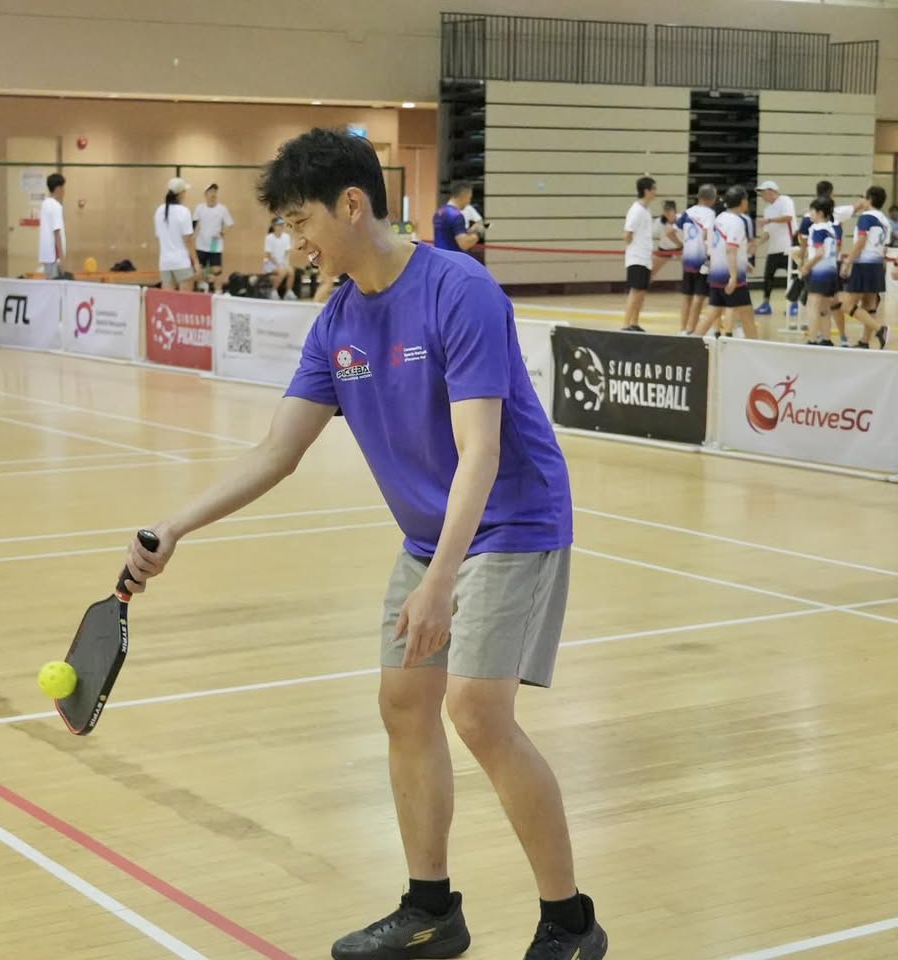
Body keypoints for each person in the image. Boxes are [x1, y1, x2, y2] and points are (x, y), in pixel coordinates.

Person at [120, 128, 607, 960]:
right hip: (430, 535)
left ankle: (570, 925)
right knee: (404, 704)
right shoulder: (338, 320)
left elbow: (482, 452)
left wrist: (440, 582)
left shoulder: (459, 291)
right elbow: (277, 451)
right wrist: (175, 528)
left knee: (476, 712)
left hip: (511, 522)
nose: (293, 242)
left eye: (300, 222)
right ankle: (431, 911)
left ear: (352, 204)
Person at [696, 185, 757, 340]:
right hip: (730, 277)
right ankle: (756, 348)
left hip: (716, 274)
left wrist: (743, 262)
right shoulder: (736, 222)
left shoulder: (720, 218)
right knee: (747, 314)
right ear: (742, 202)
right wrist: (733, 276)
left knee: (712, 312)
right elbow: (731, 249)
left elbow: (717, 246)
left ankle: (691, 343)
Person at [838, 185, 890, 348]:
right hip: (877, 265)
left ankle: (880, 329)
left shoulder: (866, 217)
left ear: (869, 199)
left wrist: (848, 261)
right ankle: (864, 341)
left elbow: (861, 242)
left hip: (864, 265)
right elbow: (884, 247)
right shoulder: (884, 220)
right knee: (869, 305)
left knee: (847, 305)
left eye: (863, 197)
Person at [676, 185, 717, 334]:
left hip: (687, 258)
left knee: (686, 294)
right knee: (699, 296)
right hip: (702, 260)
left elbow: (672, 231)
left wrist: (683, 245)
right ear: (712, 199)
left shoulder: (688, 212)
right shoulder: (710, 214)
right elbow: (707, 234)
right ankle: (691, 329)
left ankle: (682, 329)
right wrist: (709, 254)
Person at [802, 197, 841, 347]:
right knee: (824, 308)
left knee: (813, 306)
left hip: (819, 273)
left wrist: (806, 266)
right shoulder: (831, 229)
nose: (809, 214)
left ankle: (812, 339)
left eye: (812, 211)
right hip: (831, 271)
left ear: (819, 213)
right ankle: (826, 339)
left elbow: (819, 253)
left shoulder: (818, 229)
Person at [754, 181, 796, 316]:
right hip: (773, 249)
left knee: (794, 276)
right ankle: (766, 304)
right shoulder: (767, 210)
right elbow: (768, 232)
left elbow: (788, 217)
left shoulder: (785, 200)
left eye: (763, 192)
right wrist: (757, 243)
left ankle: (795, 304)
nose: (761, 195)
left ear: (771, 191)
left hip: (788, 247)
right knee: (768, 277)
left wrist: (769, 220)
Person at [622, 176, 656, 331]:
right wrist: (635, 249)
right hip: (637, 257)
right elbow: (627, 234)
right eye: (653, 189)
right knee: (635, 291)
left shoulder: (646, 209)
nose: (655, 192)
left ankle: (634, 323)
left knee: (641, 292)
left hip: (645, 257)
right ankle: (626, 324)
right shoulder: (636, 210)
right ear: (646, 191)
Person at [154, 177, 200, 290]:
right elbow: (188, 241)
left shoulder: (159, 211)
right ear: (180, 194)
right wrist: (196, 263)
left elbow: (159, 236)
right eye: (185, 192)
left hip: (165, 263)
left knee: (168, 299)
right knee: (185, 299)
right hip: (181, 262)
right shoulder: (184, 211)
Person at [194, 184, 235, 292]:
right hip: (201, 244)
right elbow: (194, 224)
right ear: (205, 194)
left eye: (215, 191)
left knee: (217, 269)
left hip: (215, 244)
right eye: (210, 191)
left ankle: (217, 291)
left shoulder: (222, 209)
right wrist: (192, 238)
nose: (213, 194)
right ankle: (203, 286)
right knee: (199, 268)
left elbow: (230, 224)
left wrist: (222, 233)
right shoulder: (199, 208)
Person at [433, 181, 483, 255]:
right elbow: (464, 244)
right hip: (452, 258)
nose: (469, 202)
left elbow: (449, 235)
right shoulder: (456, 215)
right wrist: (478, 233)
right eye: (469, 198)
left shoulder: (439, 212)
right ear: (464, 195)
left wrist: (467, 232)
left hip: (439, 256)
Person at [38, 173, 66, 279]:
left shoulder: (45, 203)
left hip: (46, 256)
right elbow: (56, 232)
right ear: (58, 188)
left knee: (50, 284)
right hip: (54, 256)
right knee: (55, 285)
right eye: (63, 187)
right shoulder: (56, 206)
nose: (64, 191)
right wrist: (62, 258)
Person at [263, 217, 297, 300]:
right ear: (273, 226)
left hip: (283, 264)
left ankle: (288, 292)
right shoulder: (269, 238)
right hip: (271, 265)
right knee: (282, 271)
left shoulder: (286, 237)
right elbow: (269, 255)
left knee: (291, 271)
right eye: (278, 225)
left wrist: (285, 262)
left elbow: (287, 252)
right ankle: (273, 291)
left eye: (282, 225)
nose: (280, 227)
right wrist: (278, 264)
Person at [650, 198, 680, 280]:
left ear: (675, 210)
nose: (667, 213)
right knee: (652, 272)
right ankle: (643, 286)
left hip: (681, 249)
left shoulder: (682, 219)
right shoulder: (659, 222)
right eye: (665, 210)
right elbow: (650, 234)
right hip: (665, 249)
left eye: (669, 210)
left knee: (692, 269)